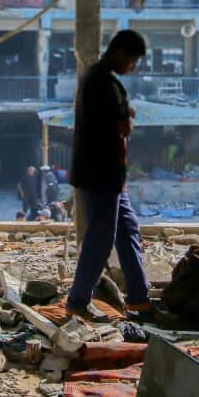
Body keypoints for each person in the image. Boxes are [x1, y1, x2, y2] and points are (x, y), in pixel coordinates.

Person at [66, 30, 153, 319]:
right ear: (121, 53)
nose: (133, 67)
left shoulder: (93, 78)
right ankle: (78, 301)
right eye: (133, 60)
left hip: (105, 174)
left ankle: (139, 297)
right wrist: (128, 115)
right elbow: (122, 127)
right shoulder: (107, 83)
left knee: (127, 229)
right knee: (101, 238)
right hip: (101, 174)